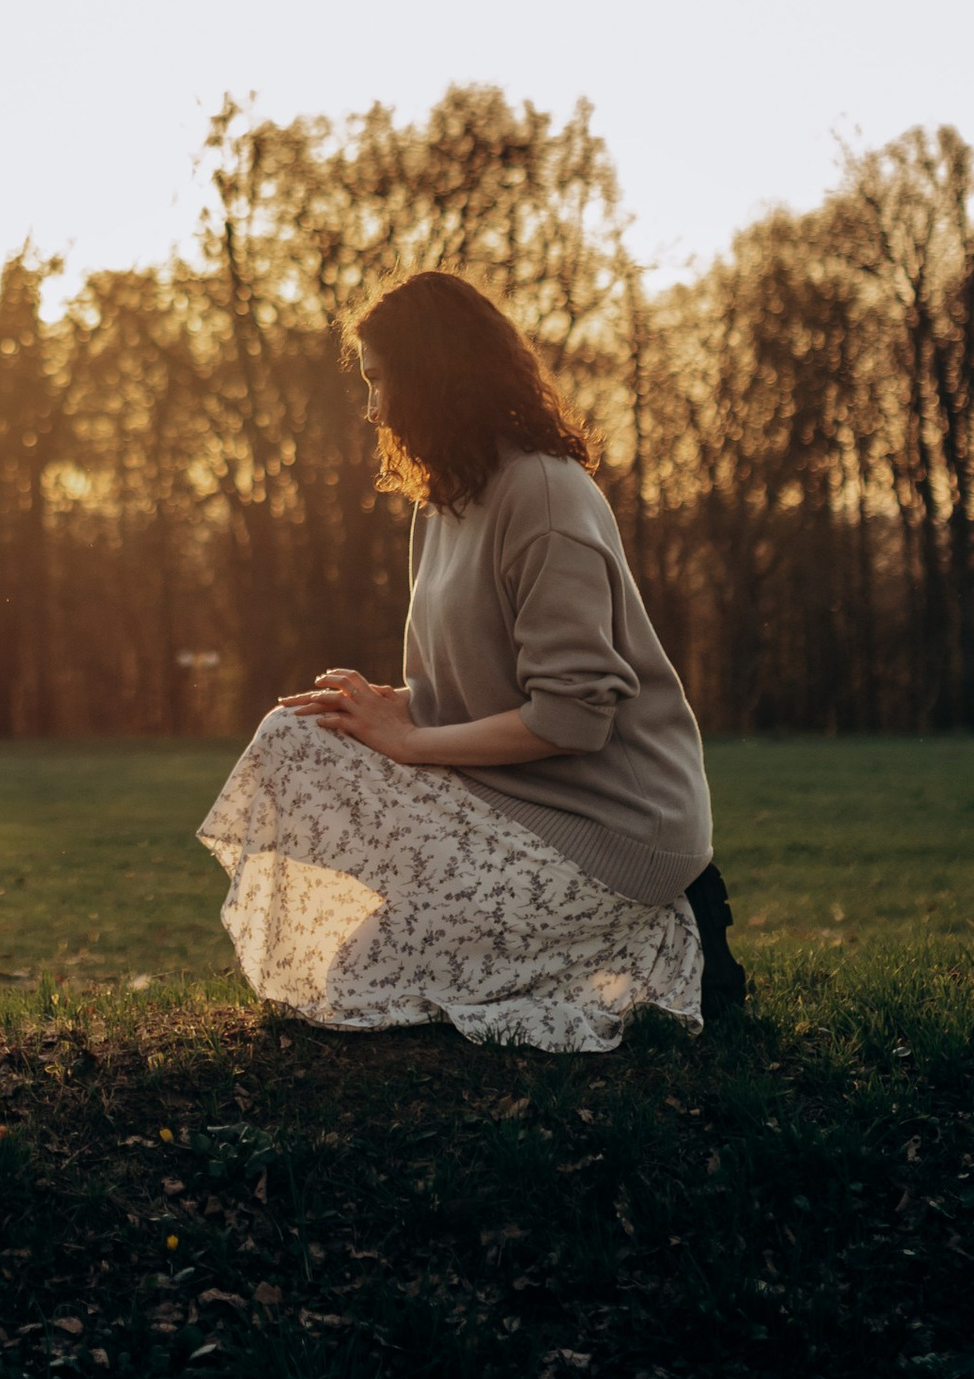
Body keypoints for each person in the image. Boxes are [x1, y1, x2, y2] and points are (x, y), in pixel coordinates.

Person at [199, 270, 746, 1050]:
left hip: (612, 830)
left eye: (381, 381)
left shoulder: (545, 497)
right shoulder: (445, 502)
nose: (373, 409)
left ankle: (670, 934)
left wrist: (412, 741)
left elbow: (572, 718)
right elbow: (478, 683)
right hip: (509, 797)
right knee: (295, 738)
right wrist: (393, 708)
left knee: (362, 985)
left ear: (435, 377)